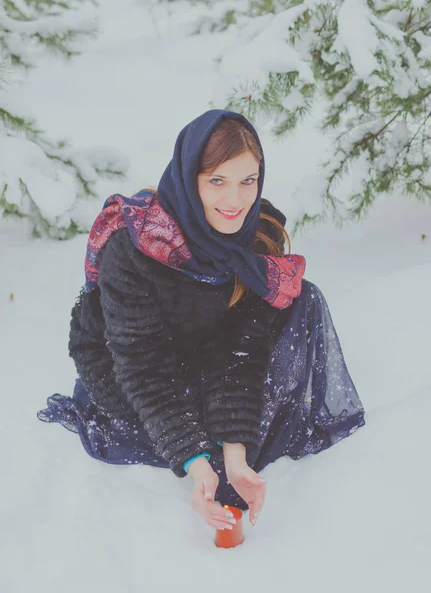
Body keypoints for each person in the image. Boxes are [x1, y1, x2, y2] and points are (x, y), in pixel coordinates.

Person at [37, 109, 366, 533]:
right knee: (174, 430)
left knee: (302, 298)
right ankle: (196, 441)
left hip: (200, 350)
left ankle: (226, 438)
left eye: (247, 181)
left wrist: (234, 455)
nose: (234, 201)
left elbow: (237, 353)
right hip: (130, 370)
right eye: (217, 181)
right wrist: (196, 463)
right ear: (190, 178)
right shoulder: (136, 247)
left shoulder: (257, 237)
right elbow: (143, 365)